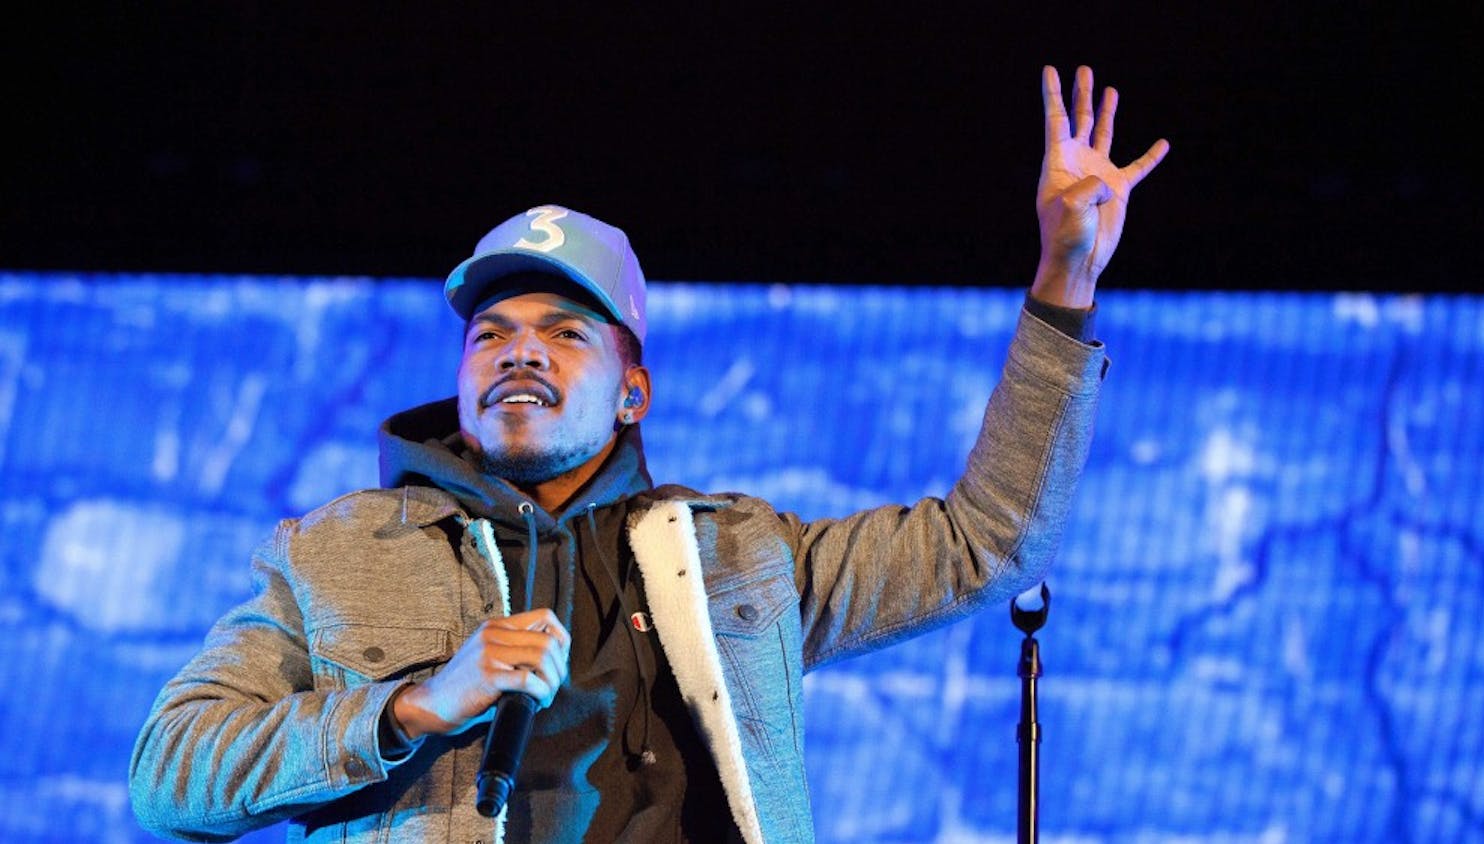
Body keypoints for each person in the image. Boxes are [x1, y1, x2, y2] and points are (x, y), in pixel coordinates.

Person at [129, 65, 1168, 843]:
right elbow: (168, 774)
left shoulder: (742, 555)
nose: (519, 349)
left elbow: (988, 543)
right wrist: (409, 705)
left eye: (565, 329)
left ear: (635, 390)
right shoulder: (334, 550)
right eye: (490, 331)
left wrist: (1064, 280)